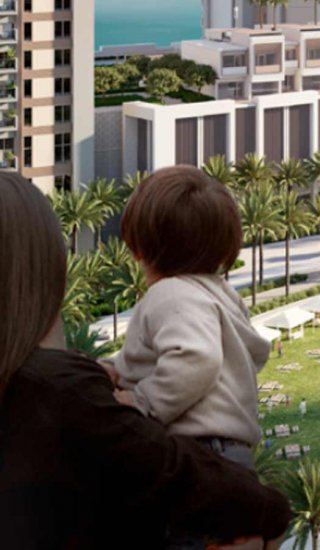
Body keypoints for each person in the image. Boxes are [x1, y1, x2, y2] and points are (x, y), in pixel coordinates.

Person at [0, 172, 292, 548]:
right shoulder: (59, 390)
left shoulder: (167, 296)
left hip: (208, 450)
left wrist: (137, 395)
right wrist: (271, 510)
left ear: (139, 247)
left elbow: (191, 358)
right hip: (225, 460)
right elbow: (167, 468)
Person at [111, 166, 273, 478]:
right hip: (229, 454)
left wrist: (142, 401)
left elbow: (198, 357)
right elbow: (158, 356)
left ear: (139, 246)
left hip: (197, 455)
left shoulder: (170, 294)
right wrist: (116, 369)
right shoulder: (218, 294)